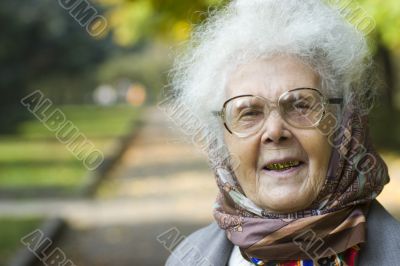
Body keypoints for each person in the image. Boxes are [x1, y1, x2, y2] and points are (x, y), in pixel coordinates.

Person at [163, 0, 400, 265]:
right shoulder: (186, 258)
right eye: (249, 112)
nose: (275, 131)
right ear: (222, 142)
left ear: (345, 123)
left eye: (300, 105)